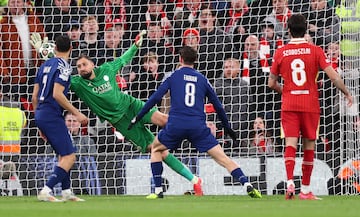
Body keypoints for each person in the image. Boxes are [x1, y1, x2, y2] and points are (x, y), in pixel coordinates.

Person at [71, 31, 203, 196]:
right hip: (121, 122)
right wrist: (48, 57)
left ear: (92, 64)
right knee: (156, 150)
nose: (82, 68)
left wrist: (135, 46)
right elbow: (59, 80)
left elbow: (124, 59)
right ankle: (195, 181)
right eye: (78, 67)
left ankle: (197, 130)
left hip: (132, 105)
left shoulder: (106, 69)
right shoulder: (77, 83)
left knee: (164, 120)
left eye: (84, 64)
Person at [129, 46, 262, 199]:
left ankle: (158, 190)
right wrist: (227, 128)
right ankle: (247, 184)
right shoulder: (202, 79)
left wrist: (138, 117)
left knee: (156, 149)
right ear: (196, 61)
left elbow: (155, 98)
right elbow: (218, 106)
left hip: (176, 124)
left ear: (180, 59)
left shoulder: (173, 76)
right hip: (197, 126)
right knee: (223, 158)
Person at [268, 14, 353, 200]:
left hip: (289, 103)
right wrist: (346, 92)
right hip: (310, 103)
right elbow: (334, 76)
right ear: (306, 29)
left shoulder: (280, 52)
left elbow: (271, 83)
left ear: (288, 30)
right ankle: (305, 190)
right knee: (309, 146)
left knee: (290, 143)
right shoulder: (315, 51)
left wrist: (286, 92)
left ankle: (290, 181)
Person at [32, 34, 89, 202]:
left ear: (54, 48)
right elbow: (57, 94)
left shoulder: (44, 65)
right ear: (71, 49)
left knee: (64, 154)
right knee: (70, 157)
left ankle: (66, 191)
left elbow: (34, 96)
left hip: (41, 113)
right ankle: (46, 190)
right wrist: (77, 113)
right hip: (51, 113)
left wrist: (39, 123)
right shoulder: (64, 66)